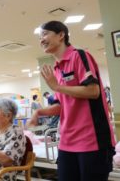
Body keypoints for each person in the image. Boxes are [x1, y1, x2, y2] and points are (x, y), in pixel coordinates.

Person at [28, 20, 115, 181]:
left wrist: (57, 87)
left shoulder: (79, 56)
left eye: (45, 34)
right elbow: (63, 105)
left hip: (92, 139)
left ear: (61, 35)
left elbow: (93, 91)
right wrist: (38, 112)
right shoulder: (56, 68)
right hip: (67, 140)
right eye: (39, 36)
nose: (41, 40)